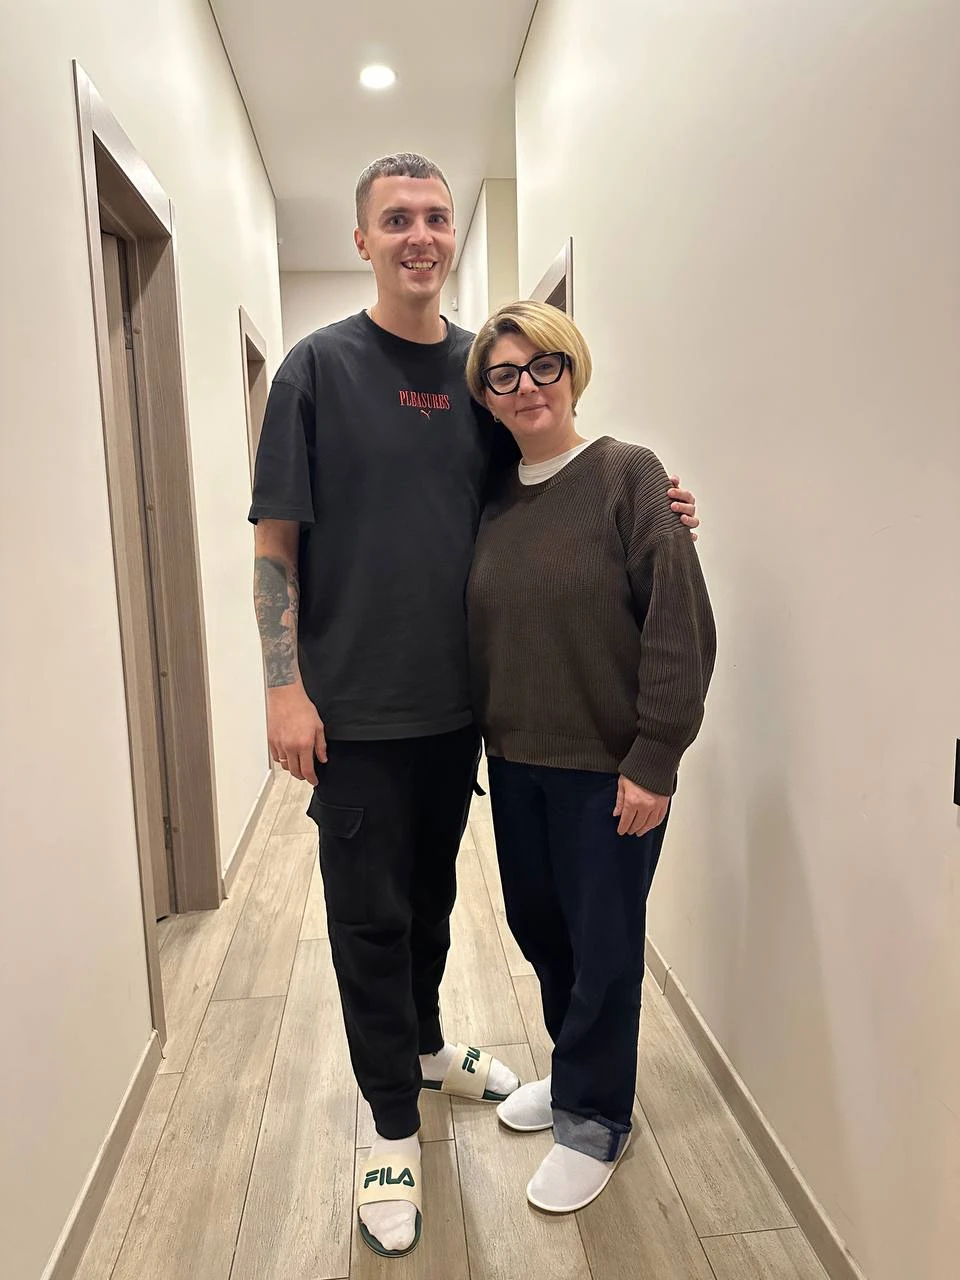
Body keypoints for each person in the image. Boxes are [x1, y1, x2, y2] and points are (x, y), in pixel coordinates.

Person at [250, 154, 699, 1258]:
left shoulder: (472, 378)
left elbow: (548, 475)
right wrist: (282, 684)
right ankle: (390, 1130)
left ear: (452, 236)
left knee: (434, 904)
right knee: (369, 920)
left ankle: (426, 1049)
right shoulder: (314, 370)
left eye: (436, 217)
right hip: (354, 715)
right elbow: (275, 542)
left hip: (463, 718)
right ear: (362, 239)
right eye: (396, 218)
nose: (420, 234)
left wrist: (658, 502)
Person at [465, 300, 716, 1214]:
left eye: (545, 365)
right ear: (487, 398)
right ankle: (576, 1077)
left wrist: (655, 759)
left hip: (611, 772)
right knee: (542, 930)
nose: (527, 386)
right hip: (515, 762)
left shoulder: (627, 476)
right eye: (505, 374)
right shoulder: (492, 498)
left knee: (604, 948)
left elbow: (680, 624)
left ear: (573, 370)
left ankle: (598, 1120)